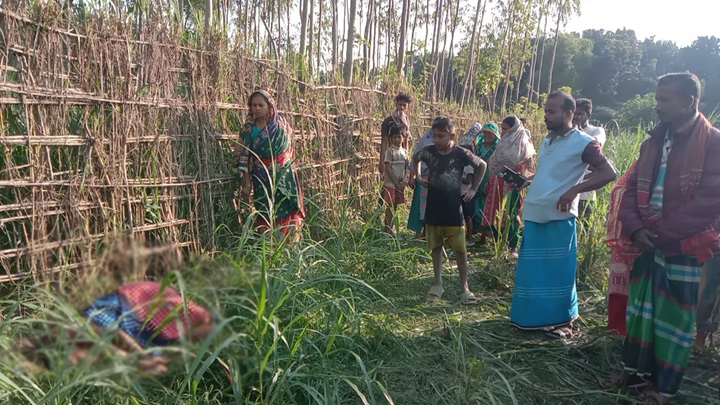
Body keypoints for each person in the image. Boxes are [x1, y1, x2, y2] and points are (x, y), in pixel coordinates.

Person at [605, 72, 720, 404]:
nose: (658, 106)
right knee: (640, 312)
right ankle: (634, 373)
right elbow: (629, 192)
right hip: (648, 242)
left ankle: (664, 388)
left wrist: (661, 234)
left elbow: (710, 201)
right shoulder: (653, 142)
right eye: (657, 99)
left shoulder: (712, 143)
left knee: (674, 319)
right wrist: (637, 229)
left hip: (685, 246)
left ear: (689, 101)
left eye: (664, 100)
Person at [509, 91, 616, 338]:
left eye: (552, 111)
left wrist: (574, 190)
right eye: (546, 111)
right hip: (535, 213)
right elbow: (550, 173)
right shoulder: (547, 141)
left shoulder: (583, 143)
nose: (547, 116)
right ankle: (530, 318)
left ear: (569, 113)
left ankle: (563, 323)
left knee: (559, 273)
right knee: (532, 272)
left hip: (559, 217)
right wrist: (528, 181)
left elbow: (608, 173)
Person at [18, 281, 216, 375]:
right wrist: (142, 359)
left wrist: (142, 359)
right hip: (121, 314)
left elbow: (112, 337)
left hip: (123, 317)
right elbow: (112, 336)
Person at [409, 117, 487, 305]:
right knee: (435, 247)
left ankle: (464, 288)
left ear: (452, 135)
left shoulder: (461, 154)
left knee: (461, 250)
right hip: (433, 209)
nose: (436, 139)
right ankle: (437, 283)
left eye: (441, 136)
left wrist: (473, 189)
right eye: (434, 135)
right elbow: (415, 158)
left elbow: (482, 165)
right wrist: (418, 176)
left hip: (454, 210)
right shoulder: (429, 152)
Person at [233, 90, 305, 240]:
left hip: (284, 176)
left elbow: (289, 149)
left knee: (286, 208)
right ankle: (269, 248)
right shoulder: (248, 129)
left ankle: (289, 245)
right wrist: (246, 182)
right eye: (253, 105)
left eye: (261, 105)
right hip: (261, 177)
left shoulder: (280, 125)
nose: (257, 108)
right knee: (265, 210)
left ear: (269, 105)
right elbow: (243, 156)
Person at [482, 116, 536, 256]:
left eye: (506, 129)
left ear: (514, 129)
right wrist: (488, 181)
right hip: (496, 185)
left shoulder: (524, 144)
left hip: (513, 187)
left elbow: (529, 168)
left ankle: (513, 247)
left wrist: (522, 179)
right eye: (502, 129)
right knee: (495, 214)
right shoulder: (501, 144)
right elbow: (493, 165)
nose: (504, 132)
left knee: (511, 215)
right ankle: (499, 245)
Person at [574, 98, 607, 219]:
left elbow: (596, 143)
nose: (576, 117)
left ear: (588, 115)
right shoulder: (569, 132)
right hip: (567, 192)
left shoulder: (596, 130)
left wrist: (580, 133)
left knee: (582, 231)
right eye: (574, 113)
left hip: (585, 194)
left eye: (580, 114)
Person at [407, 122, 437, 239]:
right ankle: (418, 235)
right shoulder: (426, 141)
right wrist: (413, 177)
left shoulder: (441, 143)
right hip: (424, 178)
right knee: (420, 207)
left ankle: (426, 233)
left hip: (436, 180)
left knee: (431, 207)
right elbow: (416, 158)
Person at [473, 122, 501, 245]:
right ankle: (481, 237)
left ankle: (492, 235)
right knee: (477, 204)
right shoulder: (479, 146)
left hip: (491, 176)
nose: (487, 136)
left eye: (490, 134)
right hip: (478, 176)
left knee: (489, 205)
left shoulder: (498, 148)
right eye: (485, 133)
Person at [382, 124, 409, 234]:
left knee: (395, 206)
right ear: (391, 138)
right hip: (391, 184)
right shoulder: (390, 151)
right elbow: (388, 168)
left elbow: (408, 166)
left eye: (399, 137)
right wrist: (395, 183)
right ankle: (386, 229)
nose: (397, 139)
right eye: (394, 137)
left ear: (403, 137)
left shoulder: (404, 152)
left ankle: (391, 228)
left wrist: (405, 181)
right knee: (390, 206)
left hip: (400, 184)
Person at [380, 92, 412, 175]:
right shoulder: (388, 122)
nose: (401, 107)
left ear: (408, 107)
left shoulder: (406, 123)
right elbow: (384, 142)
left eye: (404, 105)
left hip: (402, 157)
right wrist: (381, 161)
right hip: (390, 157)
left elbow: (406, 141)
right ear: (396, 104)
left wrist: (407, 158)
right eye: (400, 104)